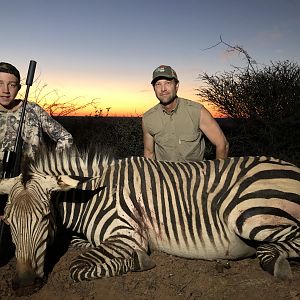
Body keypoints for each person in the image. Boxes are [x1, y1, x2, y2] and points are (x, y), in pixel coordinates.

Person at [0, 62, 73, 266]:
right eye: (0, 83)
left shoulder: (32, 110)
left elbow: (65, 138)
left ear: (19, 87)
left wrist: (45, 170)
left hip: (32, 186)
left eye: (12, 85)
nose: (6, 90)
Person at [142, 65, 229, 162]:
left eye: (168, 83)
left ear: (176, 86)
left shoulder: (197, 111)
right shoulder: (148, 118)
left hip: (197, 174)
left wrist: (216, 174)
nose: (163, 89)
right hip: (165, 175)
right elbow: (149, 152)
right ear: (154, 88)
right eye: (158, 84)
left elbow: (222, 144)